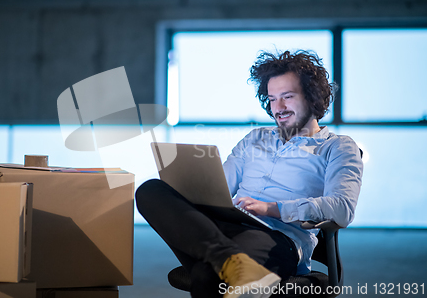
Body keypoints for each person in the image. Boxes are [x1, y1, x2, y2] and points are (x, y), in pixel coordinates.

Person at [136, 50, 363, 298]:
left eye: (287, 97)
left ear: (312, 97)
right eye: (272, 98)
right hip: (224, 228)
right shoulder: (255, 139)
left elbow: (341, 208)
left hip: (278, 239)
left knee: (207, 275)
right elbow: (218, 188)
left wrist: (271, 208)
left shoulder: (337, 147)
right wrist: (188, 190)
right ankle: (229, 261)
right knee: (150, 190)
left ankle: (226, 263)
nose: (279, 107)